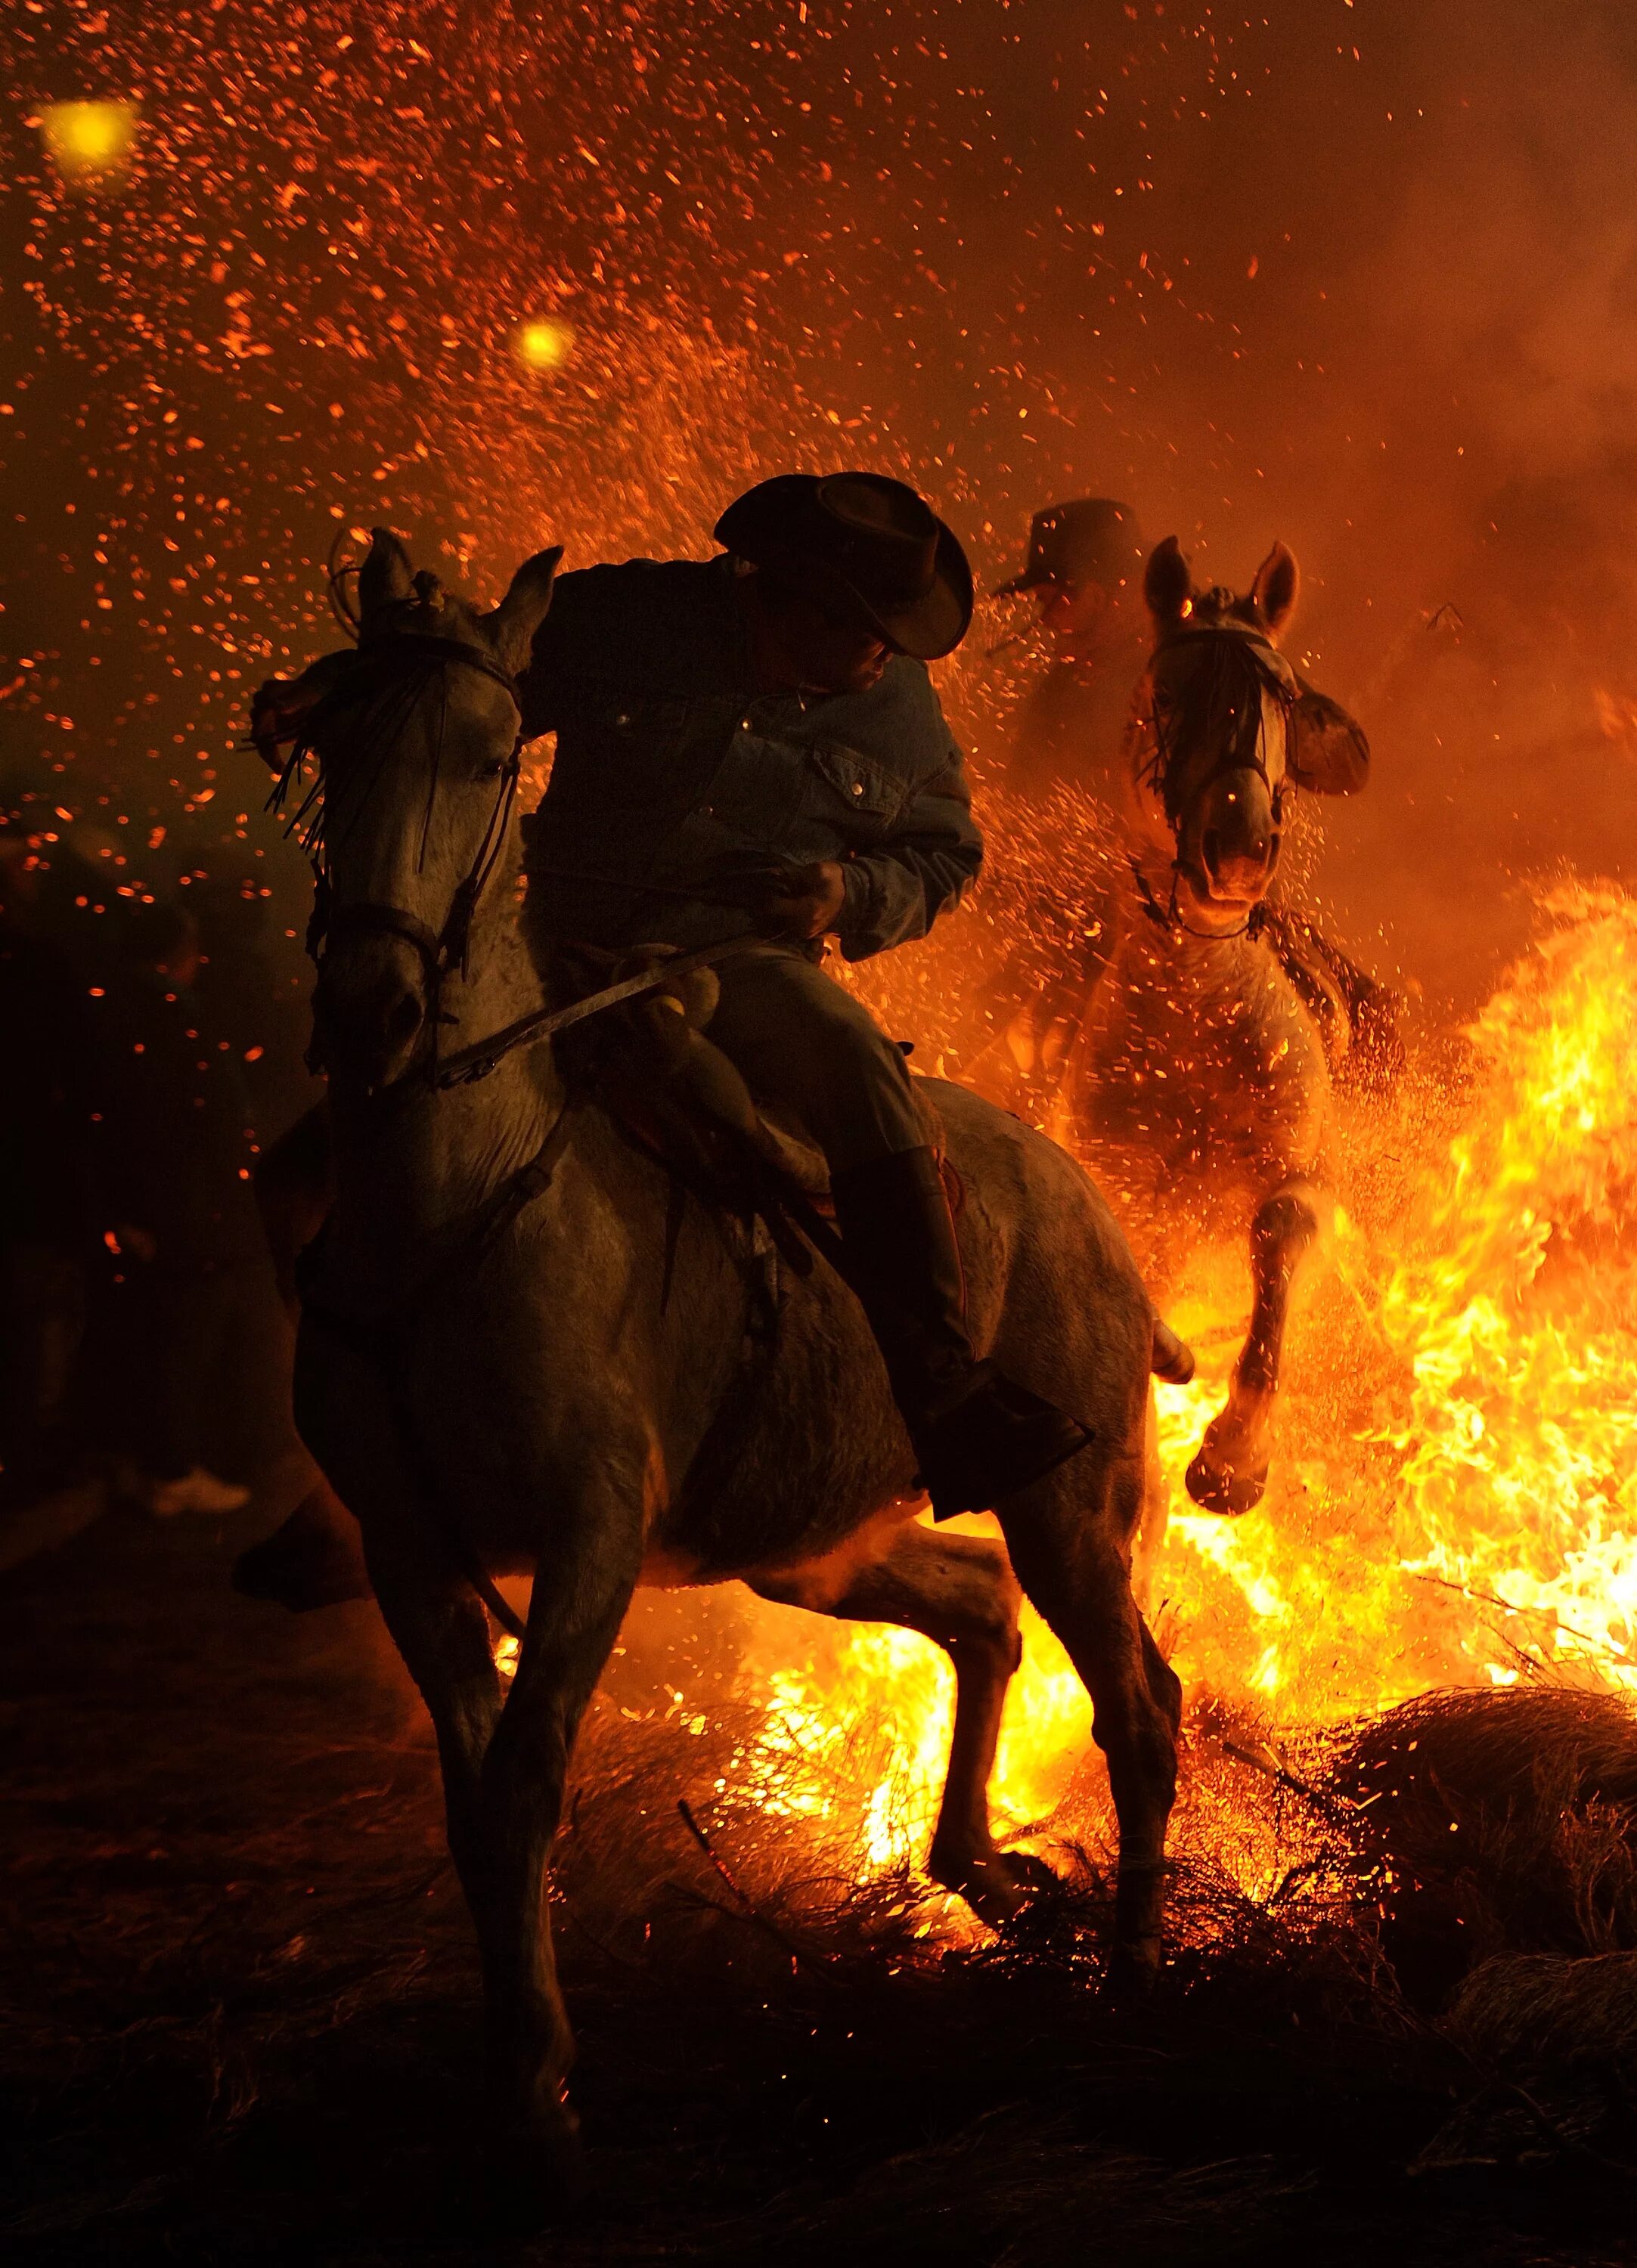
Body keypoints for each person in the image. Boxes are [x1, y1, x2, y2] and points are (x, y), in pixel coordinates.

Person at [520, 471, 1091, 1514]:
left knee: (862, 1071)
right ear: (792, 603)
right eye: (873, 629)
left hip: (740, 967)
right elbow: (463, 685)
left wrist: (845, 892)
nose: (891, 653)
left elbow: (943, 854)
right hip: (547, 948)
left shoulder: (896, 704)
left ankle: (941, 1392)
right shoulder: (625, 619)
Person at [91, 903, 264, 1516]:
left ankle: (153, 1463)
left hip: (177, 1207)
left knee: (166, 1337)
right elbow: (162, 1121)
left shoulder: (121, 1006)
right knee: (183, 1341)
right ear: (176, 950)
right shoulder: (160, 1013)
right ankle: (170, 1470)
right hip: (187, 1211)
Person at [994, 497, 1149, 801]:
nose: (1045, 620)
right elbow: (1021, 802)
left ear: (1093, 597)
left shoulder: (1176, 680)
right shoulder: (1057, 695)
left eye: (1048, 601)